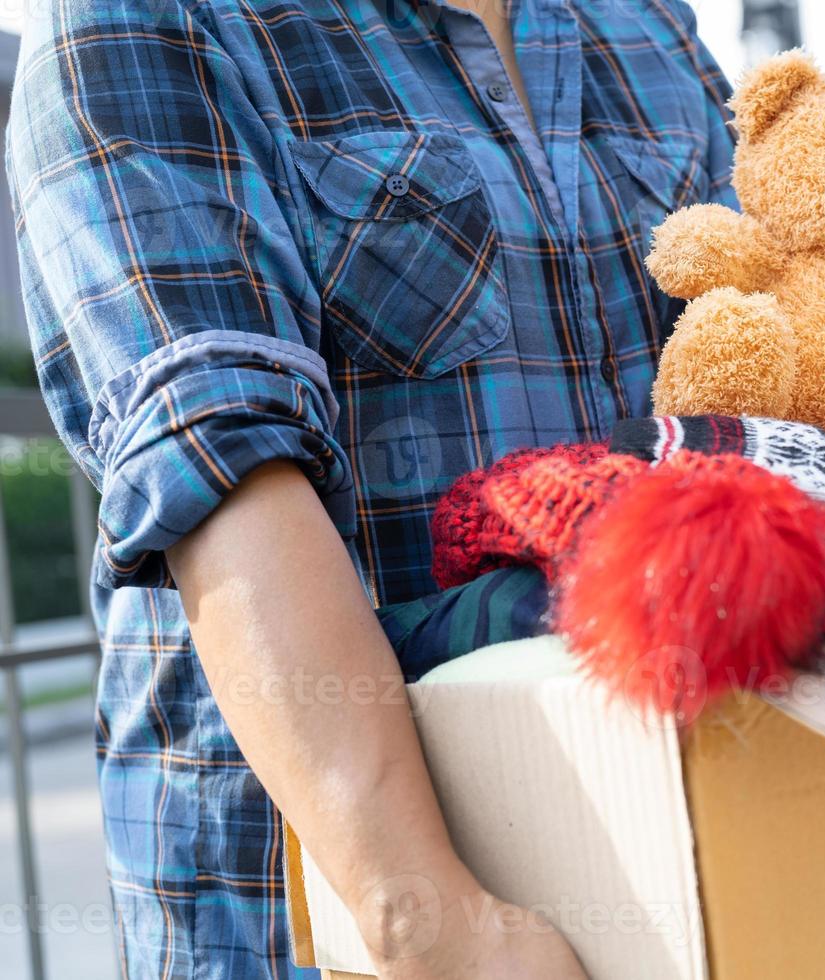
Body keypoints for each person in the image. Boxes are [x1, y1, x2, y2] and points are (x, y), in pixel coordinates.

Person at [7, 0, 736, 975]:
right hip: (327, 912)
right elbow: (222, 463)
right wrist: (430, 920)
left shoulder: (646, 26)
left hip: (671, 857)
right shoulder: (145, 15)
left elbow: (766, 366)